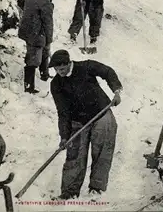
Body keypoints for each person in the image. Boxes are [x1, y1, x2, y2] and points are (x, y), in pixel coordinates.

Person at [48, 49, 122, 200]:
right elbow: (62, 112)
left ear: (69, 63)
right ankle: (69, 192)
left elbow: (108, 72)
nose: (59, 72)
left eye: (62, 68)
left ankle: (97, 188)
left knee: (102, 150)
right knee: (74, 154)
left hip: (101, 113)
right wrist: (64, 137)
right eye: (56, 70)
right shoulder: (56, 84)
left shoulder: (86, 66)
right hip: (78, 121)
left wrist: (116, 91)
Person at [17, 0, 63, 93]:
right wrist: (49, 39)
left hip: (25, 29)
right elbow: (48, 23)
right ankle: (29, 87)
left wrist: (30, 13)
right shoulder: (46, 3)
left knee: (42, 51)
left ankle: (44, 74)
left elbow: (20, 1)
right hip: (36, 33)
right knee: (34, 58)